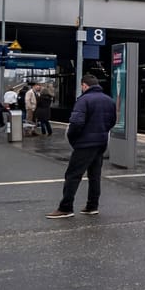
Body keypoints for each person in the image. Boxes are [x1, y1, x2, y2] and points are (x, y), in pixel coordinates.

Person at [48, 75, 117, 219]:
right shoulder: (109, 100)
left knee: (73, 175)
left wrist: (74, 139)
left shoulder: (83, 100)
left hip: (85, 144)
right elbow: (112, 122)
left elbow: (76, 123)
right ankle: (92, 206)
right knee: (94, 176)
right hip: (101, 143)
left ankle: (66, 208)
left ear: (85, 85)